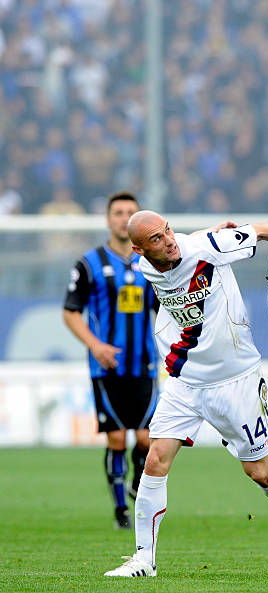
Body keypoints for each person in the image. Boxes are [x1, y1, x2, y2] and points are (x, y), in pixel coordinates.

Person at [104, 210, 268, 577]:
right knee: (155, 460)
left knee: (259, 472)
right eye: (157, 239)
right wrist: (206, 231)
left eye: (168, 231)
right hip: (185, 379)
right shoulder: (148, 267)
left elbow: (260, 230)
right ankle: (144, 560)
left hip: (236, 379)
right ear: (139, 250)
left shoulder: (207, 247)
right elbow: (183, 246)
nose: (169, 241)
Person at [63, 192, 160, 529]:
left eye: (130, 212)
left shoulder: (151, 263)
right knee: (117, 438)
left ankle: (137, 483)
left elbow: (164, 310)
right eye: (118, 212)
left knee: (146, 438)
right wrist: (95, 346)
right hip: (106, 367)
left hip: (145, 363)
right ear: (108, 219)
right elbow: (70, 312)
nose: (123, 218)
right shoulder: (89, 264)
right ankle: (121, 511)